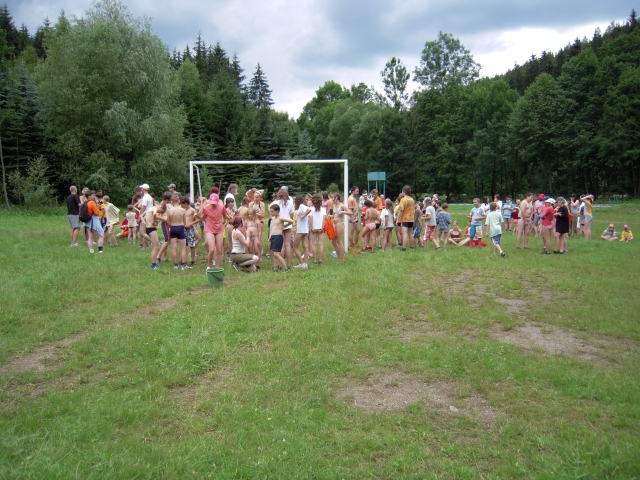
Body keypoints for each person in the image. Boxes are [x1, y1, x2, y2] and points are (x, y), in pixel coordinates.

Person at [201, 192, 228, 269]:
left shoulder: (221, 207)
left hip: (219, 229)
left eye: (215, 203)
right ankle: (209, 266)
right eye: (212, 203)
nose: (213, 204)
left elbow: (225, 216)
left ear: (217, 201)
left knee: (219, 250)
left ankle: (217, 267)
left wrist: (226, 220)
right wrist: (199, 218)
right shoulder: (206, 208)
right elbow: (203, 217)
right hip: (210, 229)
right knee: (212, 249)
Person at [268, 204, 294, 271]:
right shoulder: (273, 218)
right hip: (273, 236)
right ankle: (275, 267)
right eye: (270, 211)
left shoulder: (281, 218)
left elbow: (291, 221)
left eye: (272, 211)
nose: (271, 213)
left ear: (277, 211)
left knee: (276, 254)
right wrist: (270, 236)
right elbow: (273, 228)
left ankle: (285, 267)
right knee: (274, 253)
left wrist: (285, 225)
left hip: (278, 237)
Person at [330, 193, 352, 260]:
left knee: (339, 241)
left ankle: (341, 257)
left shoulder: (342, 205)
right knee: (333, 241)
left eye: (333, 198)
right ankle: (338, 254)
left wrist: (343, 212)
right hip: (334, 224)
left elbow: (350, 213)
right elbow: (334, 215)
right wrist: (330, 216)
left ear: (336, 198)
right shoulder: (334, 205)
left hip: (340, 224)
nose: (332, 199)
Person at [293, 194, 311, 268]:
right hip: (305, 229)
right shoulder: (302, 206)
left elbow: (309, 210)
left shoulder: (301, 206)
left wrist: (303, 216)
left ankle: (302, 263)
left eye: (295, 200)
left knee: (295, 247)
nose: (294, 202)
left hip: (300, 230)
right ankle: (305, 264)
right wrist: (296, 223)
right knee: (305, 246)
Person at [396, 185, 415, 251]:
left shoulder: (403, 200)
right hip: (411, 218)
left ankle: (404, 247)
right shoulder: (412, 199)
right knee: (410, 233)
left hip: (405, 219)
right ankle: (412, 246)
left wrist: (398, 219)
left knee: (404, 233)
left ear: (404, 192)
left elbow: (401, 210)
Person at [310, 194, 326, 264]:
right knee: (321, 244)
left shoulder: (310, 209)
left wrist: (311, 227)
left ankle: (314, 260)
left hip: (313, 228)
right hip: (320, 228)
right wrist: (322, 227)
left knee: (313, 244)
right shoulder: (323, 209)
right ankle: (320, 259)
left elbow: (310, 218)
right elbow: (324, 219)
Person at [181, 197, 198, 266]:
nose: (181, 205)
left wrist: (190, 224)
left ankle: (192, 260)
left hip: (190, 228)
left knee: (192, 245)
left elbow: (197, 219)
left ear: (186, 203)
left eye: (182, 204)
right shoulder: (182, 210)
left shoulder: (192, 210)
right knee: (183, 244)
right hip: (183, 228)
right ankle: (183, 260)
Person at [146, 202, 163, 269]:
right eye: (161, 210)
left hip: (148, 228)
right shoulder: (155, 208)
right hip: (151, 228)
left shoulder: (150, 208)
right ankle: (153, 264)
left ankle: (154, 263)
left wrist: (156, 221)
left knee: (155, 247)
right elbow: (155, 214)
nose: (161, 212)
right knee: (156, 247)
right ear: (160, 206)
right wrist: (153, 221)